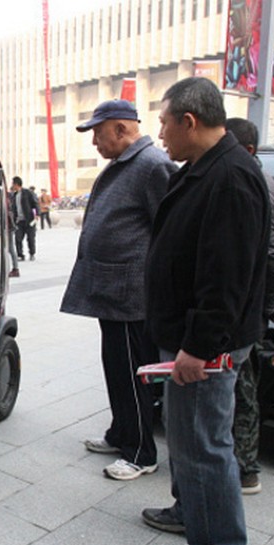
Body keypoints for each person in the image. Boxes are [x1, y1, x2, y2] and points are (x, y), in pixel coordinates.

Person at [142, 77, 269, 545]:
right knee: (189, 439)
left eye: (165, 123)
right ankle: (190, 510)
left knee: (203, 443)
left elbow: (226, 280)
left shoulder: (232, 179)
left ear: (188, 122)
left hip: (205, 343)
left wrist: (197, 348)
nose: (162, 134)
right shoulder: (204, 168)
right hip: (191, 334)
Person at [62, 98, 177, 481]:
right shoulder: (125, 165)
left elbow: (169, 232)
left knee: (132, 373)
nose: (94, 141)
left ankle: (142, 451)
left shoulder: (152, 165)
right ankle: (120, 432)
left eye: (98, 132)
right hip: (111, 289)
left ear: (122, 128)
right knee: (116, 368)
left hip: (130, 294)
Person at [224, 117, 274, 495]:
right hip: (254, 304)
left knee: (243, 389)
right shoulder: (261, 182)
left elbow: (268, 256)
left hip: (247, 309)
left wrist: (265, 304)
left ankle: (245, 467)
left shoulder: (254, 185)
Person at [9, 176, 39, 261]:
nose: (12, 186)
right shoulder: (14, 195)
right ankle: (20, 255)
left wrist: (37, 214)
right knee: (18, 238)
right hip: (19, 221)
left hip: (29, 220)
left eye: (13, 184)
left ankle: (32, 253)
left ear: (16, 184)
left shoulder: (27, 193)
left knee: (30, 238)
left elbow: (35, 204)